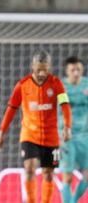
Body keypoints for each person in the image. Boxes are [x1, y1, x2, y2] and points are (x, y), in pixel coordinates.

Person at [0, 50, 72, 203]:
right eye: (38, 69)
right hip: (29, 135)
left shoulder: (56, 84)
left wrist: (67, 127)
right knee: (29, 168)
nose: (42, 73)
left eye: (45, 69)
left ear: (49, 67)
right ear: (33, 66)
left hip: (51, 137)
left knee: (48, 173)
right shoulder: (22, 85)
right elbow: (11, 109)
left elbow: (65, 105)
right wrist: (1, 133)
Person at [59, 57, 88, 203]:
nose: (76, 73)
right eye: (73, 70)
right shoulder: (60, 87)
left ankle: (73, 201)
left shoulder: (87, 85)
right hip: (66, 137)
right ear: (67, 71)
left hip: (85, 136)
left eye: (79, 70)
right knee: (68, 176)